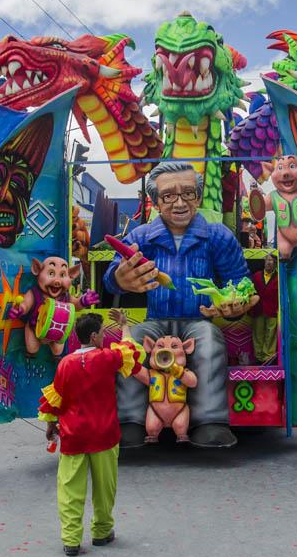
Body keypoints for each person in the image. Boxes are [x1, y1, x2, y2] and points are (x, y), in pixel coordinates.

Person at [103, 162, 258, 449]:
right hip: (155, 319)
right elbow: (111, 277)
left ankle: (210, 421)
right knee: (131, 347)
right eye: (168, 196)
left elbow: (240, 282)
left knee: (211, 343)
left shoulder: (217, 236)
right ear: (155, 201)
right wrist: (120, 278)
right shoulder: (140, 237)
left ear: (198, 197)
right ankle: (130, 421)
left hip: (198, 320)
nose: (179, 203)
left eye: (188, 193)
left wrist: (235, 303)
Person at [37, 311, 145, 556]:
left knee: (69, 490)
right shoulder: (107, 358)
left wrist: (50, 425)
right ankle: (102, 531)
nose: (105, 337)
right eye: (103, 333)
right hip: (104, 434)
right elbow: (131, 350)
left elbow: (56, 398)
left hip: (73, 435)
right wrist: (125, 326)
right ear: (94, 336)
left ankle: (71, 540)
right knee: (105, 488)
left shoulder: (65, 363)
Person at [250, 254, 279, 363]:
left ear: (275, 263)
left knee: (271, 333)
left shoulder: (278, 277)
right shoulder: (256, 276)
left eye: (271, 260)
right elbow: (250, 292)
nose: (268, 262)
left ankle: (268, 357)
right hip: (258, 309)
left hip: (272, 310)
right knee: (258, 333)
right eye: (267, 260)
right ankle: (258, 357)